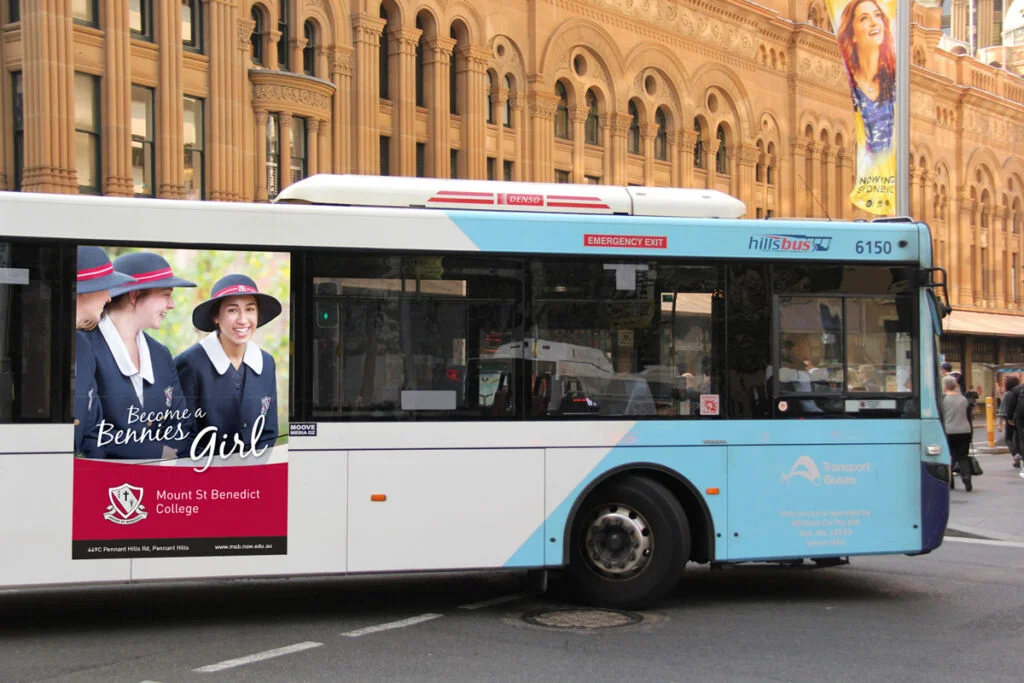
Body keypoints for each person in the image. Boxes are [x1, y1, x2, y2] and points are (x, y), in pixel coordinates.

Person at [81, 251, 196, 460]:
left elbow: (182, 422)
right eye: (165, 294)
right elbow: (89, 432)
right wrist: (157, 453)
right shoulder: (84, 346)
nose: (171, 304)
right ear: (135, 295)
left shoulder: (160, 354)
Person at [175, 274, 281, 461]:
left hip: (252, 479)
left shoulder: (265, 363)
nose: (243, 319)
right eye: (232, 310)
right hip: (202, 479)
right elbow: (182, 437)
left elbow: (268, 431)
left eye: (250, 309)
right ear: (216, 316)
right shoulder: (190, 364)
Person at [74, 247, 133, 458]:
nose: (109, 298)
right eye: (105, 287)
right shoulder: (35, 345)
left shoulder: (82, 347)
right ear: (84, 290)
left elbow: (92, 428)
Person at [836, 0, 896, 154]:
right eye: (864, 18)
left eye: (877, 16)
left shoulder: (893, 85)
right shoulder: (850, 84)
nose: (874, 23)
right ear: (852, 34)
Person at [942, 374, 973, 491]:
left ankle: (950, 481)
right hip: (964, 430)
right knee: (963, 456)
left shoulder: (943, 399)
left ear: (944, 386)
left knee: (949, 456)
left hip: (949, 431)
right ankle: (967, 480)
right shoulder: (963, 399)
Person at [998, 376, 1021, 468]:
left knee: (1008, 438)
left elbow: (1003, 410)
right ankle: (1018, 455)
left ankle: (1015, 454)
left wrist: (1000, 424)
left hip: (1010, 419)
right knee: (1018, 438)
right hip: (1019, 419)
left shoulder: (1008, 394)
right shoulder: (1019, 393)